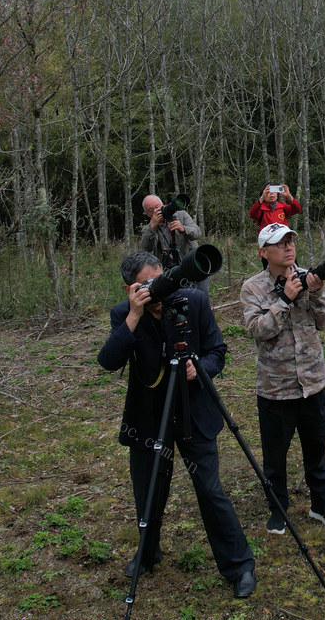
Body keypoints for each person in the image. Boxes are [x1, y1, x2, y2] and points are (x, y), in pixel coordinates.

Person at [97, 252, 256, 598]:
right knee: (148, 491)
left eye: (160, 279)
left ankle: (239, 565)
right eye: (146, 284)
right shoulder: (123, 314)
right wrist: (135, 315)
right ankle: (147, 552)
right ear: (129, 289)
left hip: (193, 410)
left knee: (210, 490)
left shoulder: (193, 302)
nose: (157, 288)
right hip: (148, 418)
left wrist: (200, 368)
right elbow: (108, 361)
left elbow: (217, 351)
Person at [240, 223, 325, 534]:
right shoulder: (252, 288)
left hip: (312, 381)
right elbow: (258, 330)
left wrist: (317, 291)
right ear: (263, 252)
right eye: (280, 243)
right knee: (275, 455)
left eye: (290, 241)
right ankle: (278, 508)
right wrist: (284, 299)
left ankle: (321, 504)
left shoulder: (307, 277)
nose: (288, 247)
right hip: (276, 387)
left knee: (316, 449)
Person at [139, 194, 207, 291]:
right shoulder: (148, 229)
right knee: (175, 296)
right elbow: (145, 249)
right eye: (151, 210)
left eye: (157, 207)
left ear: (163, 204)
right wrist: (152, 228)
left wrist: (183, 229)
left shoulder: (181, 215)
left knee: (199, 293)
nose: (156, 211)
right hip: (168, 269)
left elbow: (197, 233)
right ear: (147, 214)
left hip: (189, 262)